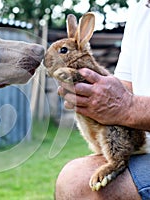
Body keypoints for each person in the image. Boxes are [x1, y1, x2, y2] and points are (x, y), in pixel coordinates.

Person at [55, 0, 150, 199]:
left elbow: (125, 102)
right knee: (73, 177)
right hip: (143, 146)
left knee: (77, 184)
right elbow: (124, 88)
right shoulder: (139, 9)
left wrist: (129, 107)